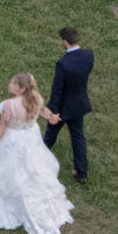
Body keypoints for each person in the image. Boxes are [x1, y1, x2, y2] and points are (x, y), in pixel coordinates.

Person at [0, 71, 74, 234]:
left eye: (12, 83)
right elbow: (44, 111)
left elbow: (2, 128)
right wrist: (52, 117)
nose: (9, 84)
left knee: (15, 169)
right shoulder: (36, 98)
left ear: (21, 88)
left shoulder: (9, 106)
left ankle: (19, 201)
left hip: (15, 140)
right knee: (33, 166)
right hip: (32, 136)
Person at [43, 26, 93, 182]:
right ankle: (81, 172)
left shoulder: (63, 64)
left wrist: (52, 112)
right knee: (78, 137)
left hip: (62, 109)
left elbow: (57, 90)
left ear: (64, 41)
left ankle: (34, 163)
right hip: (78, 105)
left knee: (49, 137)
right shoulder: (89, 56)